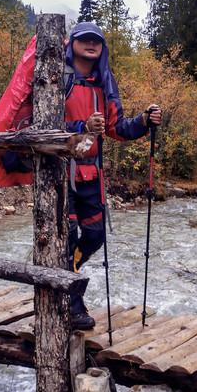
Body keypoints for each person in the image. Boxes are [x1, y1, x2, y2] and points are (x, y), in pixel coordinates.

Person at [64, 22, 162, 330]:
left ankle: (69, 273)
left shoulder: (105, 80)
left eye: (97, 40)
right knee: (63, 240)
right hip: (59, 175)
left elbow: (116, 128)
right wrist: (81, 128)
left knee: (95, 236)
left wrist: (144, 121)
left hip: (92, 174)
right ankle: (73, 306)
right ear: (74, 43)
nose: (91, 44)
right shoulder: (58, 78)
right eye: (85, 39)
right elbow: (42, 124)